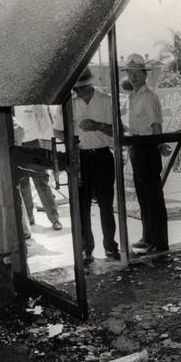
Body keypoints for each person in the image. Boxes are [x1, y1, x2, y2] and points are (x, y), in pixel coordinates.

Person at [52, 68, 119, 263]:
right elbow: (58, 131)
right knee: (82, 206)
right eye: (76, 89)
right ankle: (86, 249)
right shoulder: (67, 103)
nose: (78, 92)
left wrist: (99, 126)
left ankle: (111, 247)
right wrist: (69, 140)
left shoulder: (106, 101)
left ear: (90, 85)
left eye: (81, 88)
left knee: (106, 205)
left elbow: (118, 131)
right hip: (79, 159)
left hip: (102, 156)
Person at [121, 54, 168, 253]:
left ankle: (160, 242)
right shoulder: (132, 97)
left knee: (154, 198)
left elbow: (156, 126)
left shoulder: (149, 97)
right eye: (130, 74)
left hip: (148, 148)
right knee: (143, 197)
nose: (133, 77)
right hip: (136, 148)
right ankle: (147, 237)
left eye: (137, 74)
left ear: (145, 75)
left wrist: (159, 146)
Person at [13, 105, 62, 230]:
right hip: (16, 146)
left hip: (34, 144)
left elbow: (45, 126)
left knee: (41, 182)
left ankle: (54, 219)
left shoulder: (34, 102)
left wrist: (45, 150)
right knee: (23, 184)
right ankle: (29, 218)